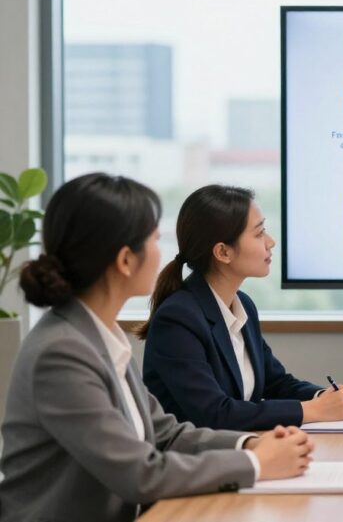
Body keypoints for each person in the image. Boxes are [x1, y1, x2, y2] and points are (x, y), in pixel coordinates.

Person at [0, 173, 314, 522]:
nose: (162, 252)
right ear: (125, 260)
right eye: (153, 239)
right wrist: (255, 463)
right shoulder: (61, 354)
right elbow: (140, 474)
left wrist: (250, 445)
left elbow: (165, 433)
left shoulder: (98, 336)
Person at [141, 185, 343, 431]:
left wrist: (323, 397)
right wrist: (311, 410)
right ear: (223, 252)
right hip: (193, 461)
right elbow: (214, 413)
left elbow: (275, 382)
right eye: (259, 234)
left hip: (239, 450)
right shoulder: (178, 319)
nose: (271, 242)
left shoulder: (242, 304)